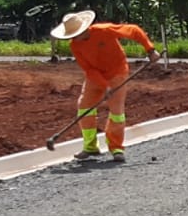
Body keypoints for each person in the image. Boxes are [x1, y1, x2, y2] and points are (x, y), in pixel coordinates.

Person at [52, 9, 160, 162]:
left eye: (76, 34)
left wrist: (150, 50)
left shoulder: (104, 30)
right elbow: (89, 69)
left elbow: (134, 31)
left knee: (117, 112)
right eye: (72, 36)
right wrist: (104, 85)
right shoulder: (75, 46)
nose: (75, 38)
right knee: (84, 107)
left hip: (117, 72)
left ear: (84, 28)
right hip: (95, 76)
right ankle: (90, 146)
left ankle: (116, 148)